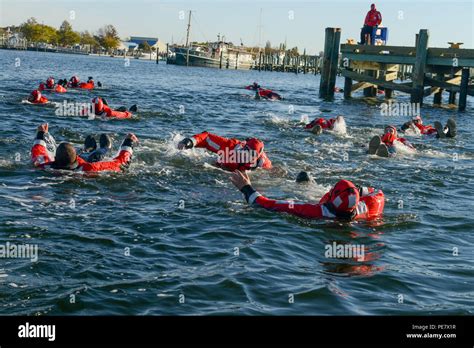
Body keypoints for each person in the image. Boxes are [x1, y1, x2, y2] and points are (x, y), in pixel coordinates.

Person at [230, 170, 385, 221]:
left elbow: (265, 204)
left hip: (315, 203)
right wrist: (356, 190)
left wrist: (246, 188)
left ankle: (304, 182)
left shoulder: (315, 211)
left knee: (303, 179)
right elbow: (378, 193)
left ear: (331, 197)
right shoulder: (367, 208)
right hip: (342, 214)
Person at [31, 123, 138, 172]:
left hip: (76, 160)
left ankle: (89, 148)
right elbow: (119, 163)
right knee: (98, 154)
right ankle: (105, 147)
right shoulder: (88, 169)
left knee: (84, 152)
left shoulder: (43, 165)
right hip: (87, 162)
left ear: (54, 158)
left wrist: (41, 133)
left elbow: (38, 151)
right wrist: (128, 142)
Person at [177, 131, 272, 171]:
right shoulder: (230, 148)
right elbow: (206, 138)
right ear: (243, 148)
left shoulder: (263, 164)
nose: (246, 156)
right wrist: (189, 142)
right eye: (246, 152)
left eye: (251, 155)